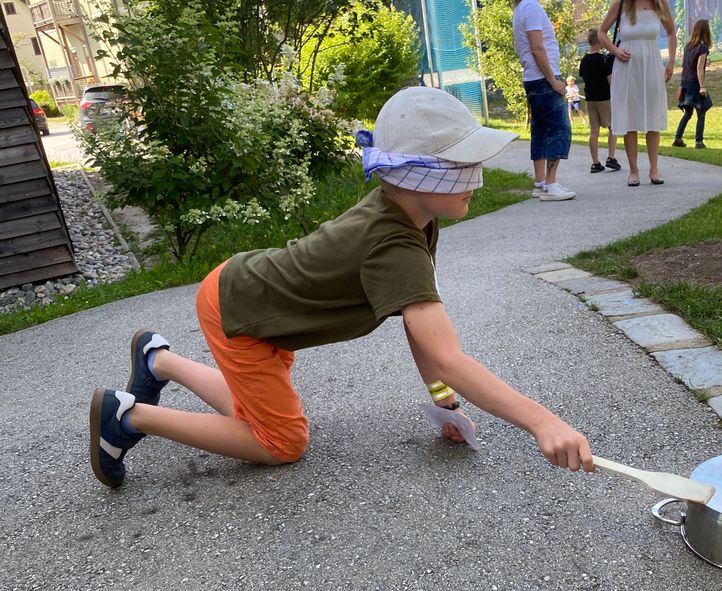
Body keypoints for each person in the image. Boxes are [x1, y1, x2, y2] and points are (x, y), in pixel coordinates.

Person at [88, 87, 594, 489]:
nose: (476, 177)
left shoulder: (412, 218)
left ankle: (158, 360)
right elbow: (450, 357)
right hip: (241, 310)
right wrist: (541, 421)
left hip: (249, 298)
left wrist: (444, 403)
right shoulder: (395, 244)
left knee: (253, 411)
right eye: (462, 167)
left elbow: (423, 335)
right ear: (417, 176)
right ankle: (128, 417)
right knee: (281, 441)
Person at [597, 0, 676, 186]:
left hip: (652, 65)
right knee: (629, 117)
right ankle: (633, 171)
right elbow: (601, 32)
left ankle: (654, 169)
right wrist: (615, 50)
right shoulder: (621, 4)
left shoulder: (660, 4)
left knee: (653, 117)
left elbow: (672, 32)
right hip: (627, 67)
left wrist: (671, 62)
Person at [512, 0, 576, 201]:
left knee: (539, 130)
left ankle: (540, 183)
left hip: (532, 79)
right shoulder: (531, 6)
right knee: (560, 128)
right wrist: (553, 81)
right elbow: (537, 48)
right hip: (543, 80)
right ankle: (551, 183)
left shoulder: (521, 8)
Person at [578, 28, 622, 173]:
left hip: (590, 99)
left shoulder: (584, 60)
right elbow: (611, 81)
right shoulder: (604, 60)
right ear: (600, 41)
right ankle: (611, 157)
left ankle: (595, 163)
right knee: (613, 127)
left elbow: (585, 78)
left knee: (594, 131)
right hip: (605, 98)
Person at [672, 19, 712, 149]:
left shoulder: (688, 46)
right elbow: (699, 68)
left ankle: (678, 138)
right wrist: (702, 86)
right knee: (702, 110)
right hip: (695, 84)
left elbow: (685, 65)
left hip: (685, 83)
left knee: (688, 113)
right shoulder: (702, 47)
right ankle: (699, 141)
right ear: (706, 32)